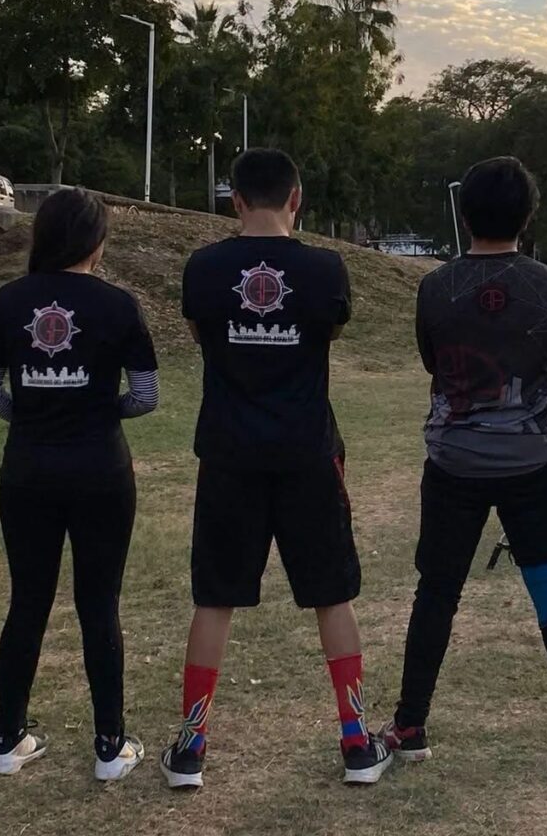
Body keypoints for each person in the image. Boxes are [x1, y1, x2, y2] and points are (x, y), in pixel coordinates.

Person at [160, 147, 392, 789]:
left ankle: (191, 747)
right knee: (331, 592)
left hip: (230, 452)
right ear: (296, 199)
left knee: (215, 596)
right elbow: (330, 333)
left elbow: (205, 336)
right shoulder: (324, 269)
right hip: (307, 453)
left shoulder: (204, 268)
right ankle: (355, 742)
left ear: (234, 201)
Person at [379, 156, 547, 766]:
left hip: (454, 455)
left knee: (438, 590)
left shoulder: (435, 286)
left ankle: (410, 727)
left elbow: (435, 360)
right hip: (531, 456)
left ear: (465, 212)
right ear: (529, 215)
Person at [0, 188, 159, 781]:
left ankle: (7, 740)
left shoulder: (8, 300)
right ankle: (110, 748)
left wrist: (30, 415)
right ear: (96, 243)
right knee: (98, 605)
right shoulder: (119, 305)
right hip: (101, 469)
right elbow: (147, 397)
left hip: (27, 470)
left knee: (27, 602)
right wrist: (99, 411)